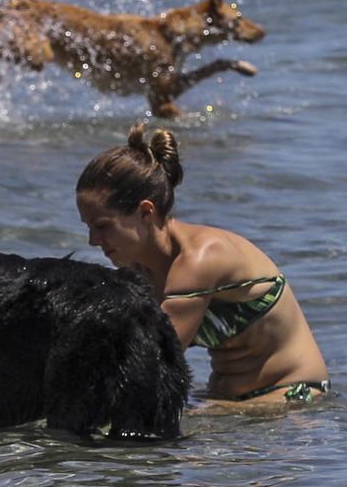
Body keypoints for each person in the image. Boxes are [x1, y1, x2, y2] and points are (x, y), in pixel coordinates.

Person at [75, 125, 327, 411]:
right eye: (88, 227)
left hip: (293, 403)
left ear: (146, 212)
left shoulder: (200, 259)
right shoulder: (139, 267)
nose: (93, 240)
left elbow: (152, 360)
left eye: (102, 226)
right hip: (227, 403)